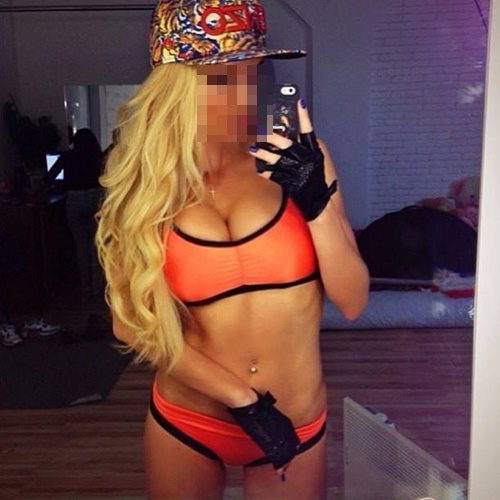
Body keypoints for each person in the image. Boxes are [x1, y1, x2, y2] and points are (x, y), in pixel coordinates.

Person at [96, 0, 369, 498]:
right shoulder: (145, 185)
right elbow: (131, 326)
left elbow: (352, 300)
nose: (245, 94)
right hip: (191, 418)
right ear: (177, 88)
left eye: (253, 73)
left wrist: (317, 205)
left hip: (296, 422)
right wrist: (242, 399)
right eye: (222, 78)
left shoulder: (299, 159)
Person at [46, 128, 103, 297]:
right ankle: (97, 287)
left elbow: (50, 176)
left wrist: (64, 183)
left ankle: (85, 287)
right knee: (94, 244)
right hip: (95, 197)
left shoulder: (68, 157)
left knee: (80, 244)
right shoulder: (97, 157)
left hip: (74, 199)